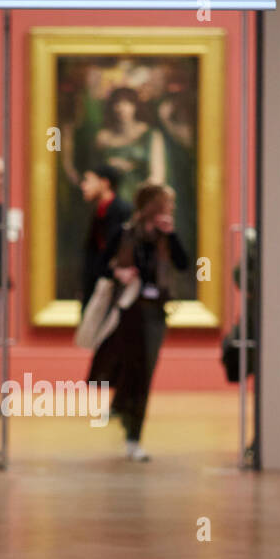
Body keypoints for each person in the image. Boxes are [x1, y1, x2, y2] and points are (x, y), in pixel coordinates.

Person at [89, 183, 188, 462]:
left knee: (145, 372)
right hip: (129, 310)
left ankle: (129, 423)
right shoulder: (125, 233)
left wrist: (172, 235)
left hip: (155, 312)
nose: (169, 210)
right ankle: (131, 430)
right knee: (133, 370)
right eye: (166, 204)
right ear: (153, 206)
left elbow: (183, 263)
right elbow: (100, 264)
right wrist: (119, 273)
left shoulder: (166, 237)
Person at [79, 164, 131, 310]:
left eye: (88, 181)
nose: (84, 186)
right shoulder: (98, 211)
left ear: (104, 183)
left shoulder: (122, 211)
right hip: (97, 287)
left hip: (113, 292)